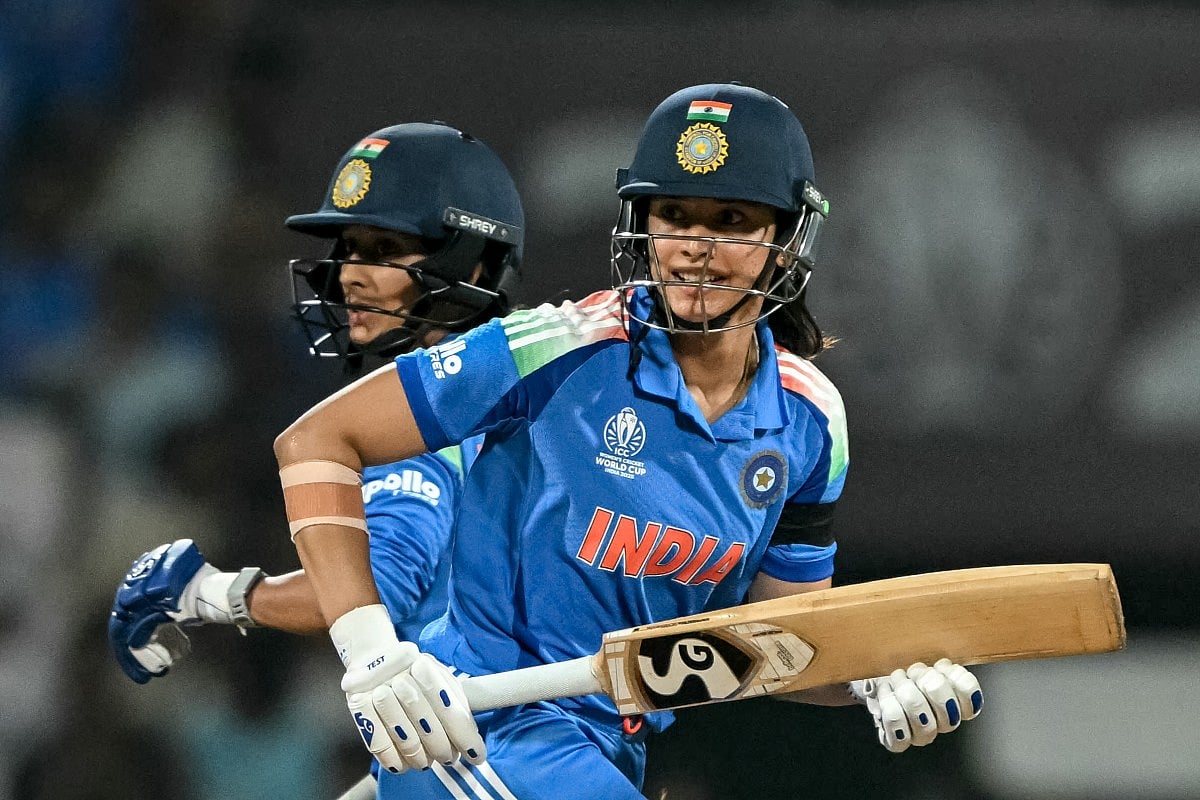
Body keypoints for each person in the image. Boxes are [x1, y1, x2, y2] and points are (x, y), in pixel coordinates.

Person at [272, 83, 984, 799]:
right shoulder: (557, 347)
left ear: (787, 239)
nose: (695, 247)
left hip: (609, 749)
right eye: (673, 215)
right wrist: (371, 656)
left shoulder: (811, 420)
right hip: (480, 727)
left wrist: (876, 681)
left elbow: (778, 648)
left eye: (731, 219)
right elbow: (318, 441)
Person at [107, 121, 525, 797]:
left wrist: (206, 592)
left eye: (383, 249)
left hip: (488, 760)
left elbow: (374, 592)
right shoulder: (523, 397)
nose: (348, 274)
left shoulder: (419, 429)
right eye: (348, 248)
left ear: (471, 265)